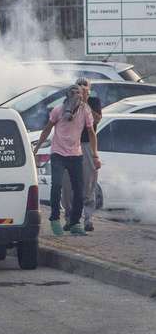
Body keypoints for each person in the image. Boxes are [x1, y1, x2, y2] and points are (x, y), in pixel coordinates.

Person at [34, 84, 101, 236]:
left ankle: (75, 222)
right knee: (57, 185)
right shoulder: (58, 110)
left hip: (76, 154)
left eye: (78, 92)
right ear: (67, 95)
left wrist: (95, 154)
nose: (76, 94)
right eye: (73, 92)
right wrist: (37, 148)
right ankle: (55, 219)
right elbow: (47, 128)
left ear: (82, 95)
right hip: (58, 153)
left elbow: (91, 132)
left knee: (78, 189)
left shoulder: (85, 110)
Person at [62, 78, 103, 232]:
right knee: (67, 185)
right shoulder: (68, 102)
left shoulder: (93, 102)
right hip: (69, 146)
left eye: (84, 87)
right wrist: (75, 102)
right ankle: (69, 218)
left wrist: (85, 102)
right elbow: (64, 121)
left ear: (89, 90)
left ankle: (88, 219)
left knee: (88, 183)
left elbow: (96, 120)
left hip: (86, 146)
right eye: (79, 86)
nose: (81, 89)